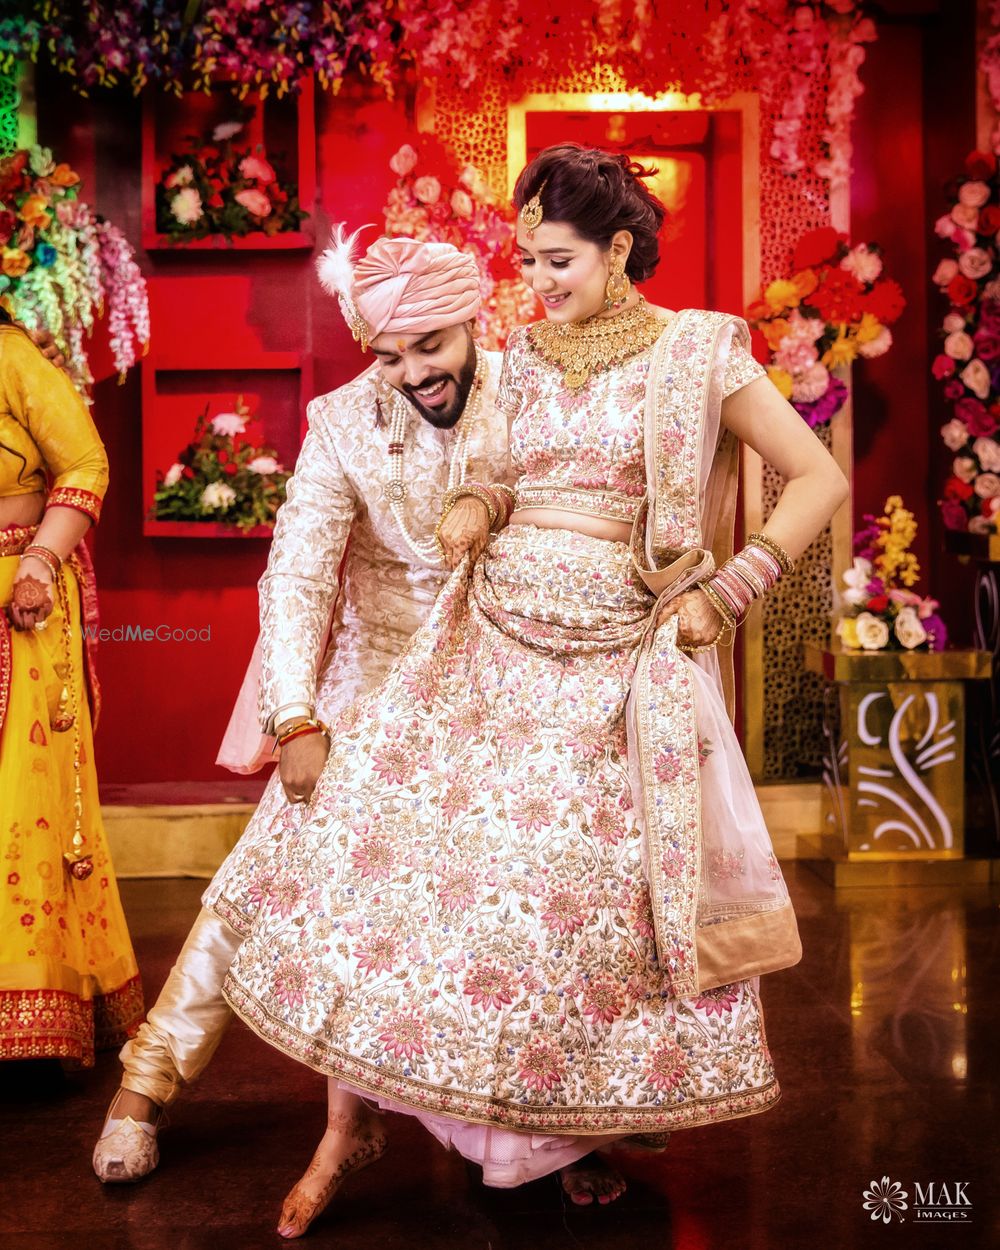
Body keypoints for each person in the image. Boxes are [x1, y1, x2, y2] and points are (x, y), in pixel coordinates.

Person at [204, 142, 850, 1237]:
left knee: (580, 906)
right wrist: (477, 509)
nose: (537, 282)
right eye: (527, 259)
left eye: (556, 260)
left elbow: (819, 477)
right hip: (492, 642)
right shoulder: (527, 356)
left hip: (617, 660)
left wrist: (735, 587)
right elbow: (503, 471)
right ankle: (438, 1123)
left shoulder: (700, 352)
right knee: (445, 885)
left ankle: (573, 1132)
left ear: (621, 247)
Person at [92, 234, 509, 1182]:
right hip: (373, 676)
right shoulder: (343, 422)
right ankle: (144, 1087)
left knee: (516, 905)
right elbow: (300, 576)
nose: (411, 373)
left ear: (473, 318)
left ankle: (538, 1133)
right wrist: (297, 716)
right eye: (388, 354)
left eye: (431, 345)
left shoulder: (531, 396)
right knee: (262, 881)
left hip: (498, 679)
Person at [0, 308, 144, 1067]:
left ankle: (35, 1006)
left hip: (17, 596)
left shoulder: (11, 356)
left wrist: (37, 564)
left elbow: (85, 464)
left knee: (22, 801)